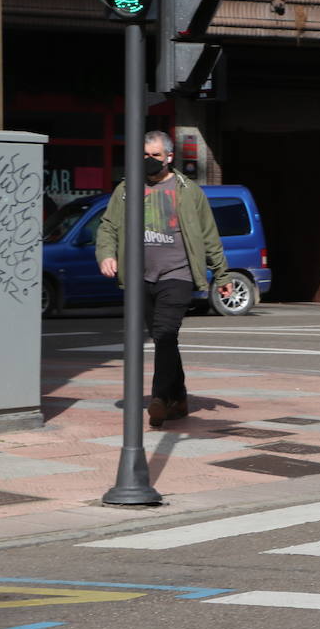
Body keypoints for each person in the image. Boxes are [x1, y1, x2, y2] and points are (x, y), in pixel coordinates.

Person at [96, 130, 231, 427]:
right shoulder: (126, 189)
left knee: (165, 332)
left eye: (155, 155)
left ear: (169, 157)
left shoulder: (188, 190)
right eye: (144, 155)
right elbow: (108, 227)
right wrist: (106, 253)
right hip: (139, 277)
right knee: (163, 340)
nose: (149, 160)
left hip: (178, 273)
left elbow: (209, 235)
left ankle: (159, 398)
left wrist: (222, 273)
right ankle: (179, 396)